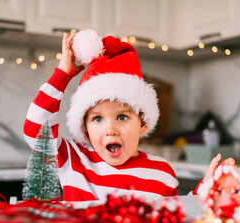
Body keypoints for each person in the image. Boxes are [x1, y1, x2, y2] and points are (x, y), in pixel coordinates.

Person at [23, 29, 228, 201]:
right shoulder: (73, 159)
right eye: (97, 118)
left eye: (122, 117)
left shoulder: (162, 172)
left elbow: (177, 221)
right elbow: (35, 131)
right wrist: (62, 75)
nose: (110, 130)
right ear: (84, 127)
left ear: (143, 123)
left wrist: (207, 187)